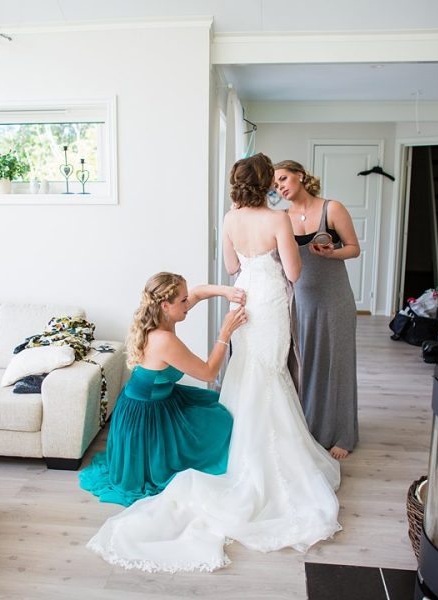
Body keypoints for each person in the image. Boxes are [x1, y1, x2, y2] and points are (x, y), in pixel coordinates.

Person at [86, 153, 341, 572]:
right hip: (269, 301)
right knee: (270, 373)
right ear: (266, 183)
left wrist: (237, 280)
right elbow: (294, 274)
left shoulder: (230, 218)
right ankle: (265, 456)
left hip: (242, 297)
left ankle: (237, 449)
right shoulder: (278, 219)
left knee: (248, 371)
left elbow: (232, 266)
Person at [78, 273, 248, 506]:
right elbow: (209, 373)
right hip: (145, 417)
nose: (188, 304)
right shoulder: (162, 339)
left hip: (160, 400)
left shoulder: (161, 316)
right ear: (165, 305)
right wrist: (225, 334)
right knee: (220, 423)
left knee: (215, 404)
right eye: (183, 301)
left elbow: (198, 293)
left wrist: (226, 291)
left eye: (186, 299)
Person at [273, 159, 360, 459]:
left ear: (299, 175)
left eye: (283, 179)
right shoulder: (281, 218)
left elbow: (354, 248)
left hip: (335, 299)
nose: (280, 187)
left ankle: (343, 434)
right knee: (306, 365)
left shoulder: (331, 209)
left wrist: (331, 252)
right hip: (300, 301)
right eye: (275, 185)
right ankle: (309, 429)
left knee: (338, 363)